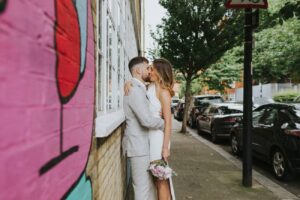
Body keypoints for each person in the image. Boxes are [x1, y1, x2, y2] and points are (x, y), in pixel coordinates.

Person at [125, 58, 176, 200]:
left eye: (152, 69)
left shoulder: (164, 93)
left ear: (159, 72)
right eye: (148, 68)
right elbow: (138, 86)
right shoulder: (149, 87)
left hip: (159, 139)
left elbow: (168, 123)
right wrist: (128, 82)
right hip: (149, 138)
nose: (149, 71)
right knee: (155, 178)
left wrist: (165, 147)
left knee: (161, 180)